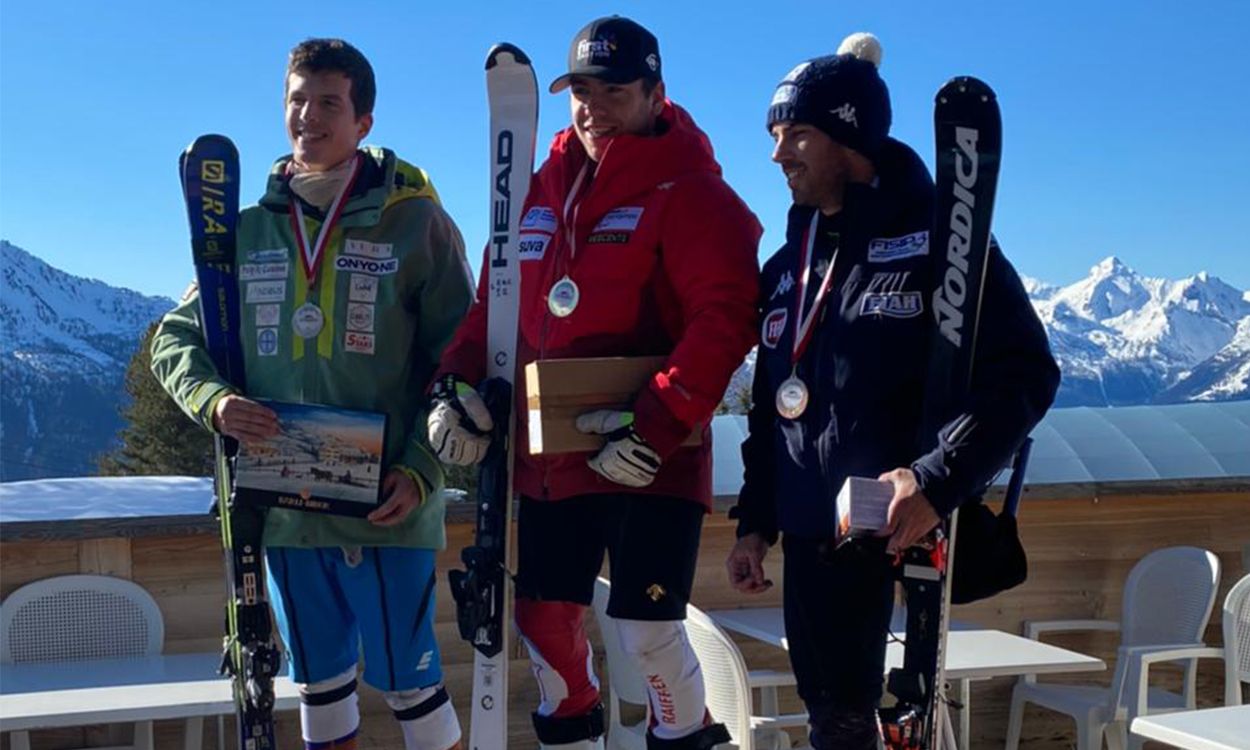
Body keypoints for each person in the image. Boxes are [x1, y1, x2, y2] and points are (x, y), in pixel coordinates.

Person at [427, 16, 760, 750]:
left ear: (655, 93)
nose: (592, 107)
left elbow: (726, 317)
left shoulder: (693, 191)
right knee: (543, 623)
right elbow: (493, 309)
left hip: (650, 455)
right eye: (580, 90)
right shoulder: (536, 191)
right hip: (551, 461)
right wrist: (453, 384)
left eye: (612, 90)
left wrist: (661, 421)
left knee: (645, 632)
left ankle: (684, 736)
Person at [724, 34, 1060, 750]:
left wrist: (938, 479)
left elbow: (1028, 371)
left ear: (850, 140)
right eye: (775, 136)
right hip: (816, 542)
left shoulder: (942, 239)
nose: (778, 155)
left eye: (798, 136)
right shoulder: (788, 264)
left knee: (893, 719)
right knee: (835, 725)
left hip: (902, 534)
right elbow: (769, 405)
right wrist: (756, 518)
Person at [151, 38, 472, 750]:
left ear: (364, 120)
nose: (308, 116)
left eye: (329, 102)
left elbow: (463, 361)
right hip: (285, 508)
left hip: (385, 503)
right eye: (297, 99)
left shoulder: (415, 221)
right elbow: (173, 340)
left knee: (412, 688)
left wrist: (422, 469)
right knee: (317, 687)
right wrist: (214, 402)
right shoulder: (245, 229)